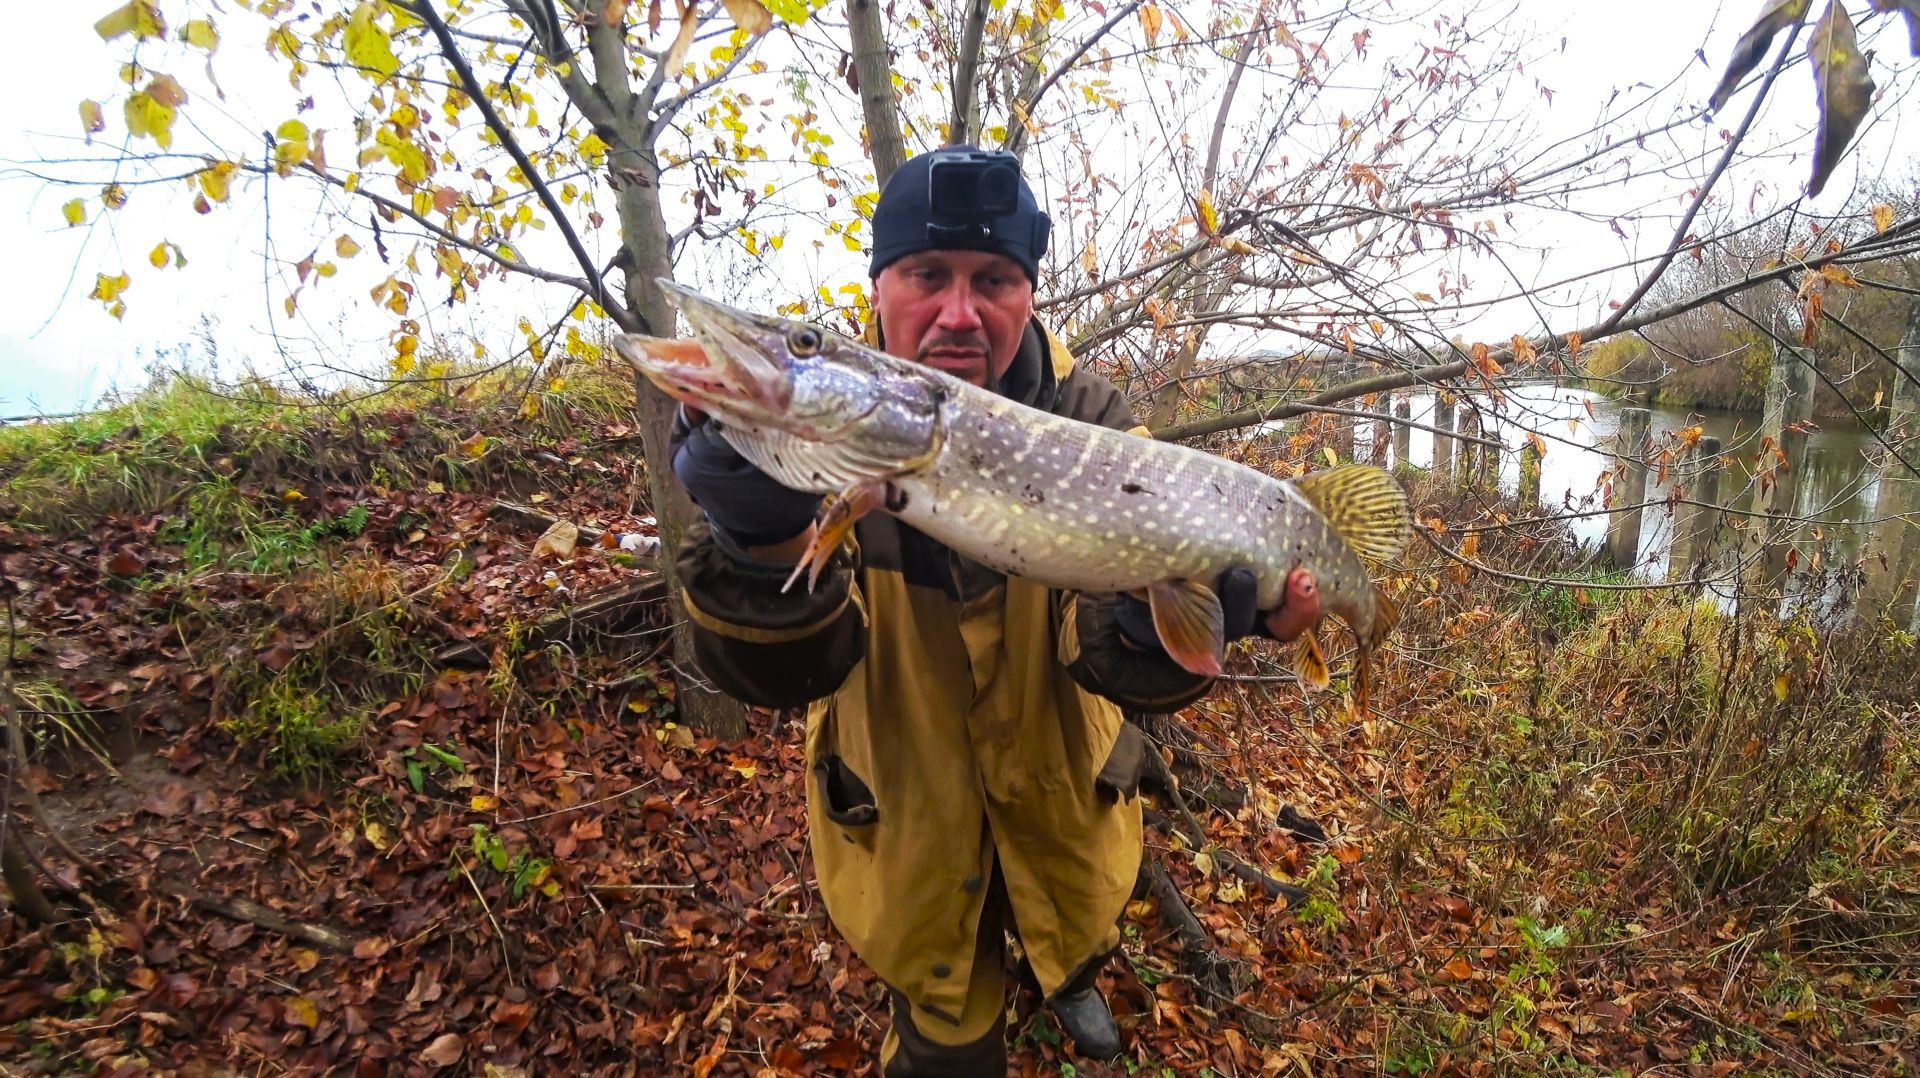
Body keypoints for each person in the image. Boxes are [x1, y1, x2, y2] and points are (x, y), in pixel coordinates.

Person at [666, 146, 1320, 1075]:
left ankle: (1071, 977)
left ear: (1029, 294)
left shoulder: (1089, 416)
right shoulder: (834, 429)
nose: (960, 311)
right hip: (905, 821)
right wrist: (755, 544)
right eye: (928, 275)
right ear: (880, 283)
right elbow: (788, 674)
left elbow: (1107, 654)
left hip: (1061, 798)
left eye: (996, 279)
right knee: (945, 1030)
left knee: (1070, 919)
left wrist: (1159, 623)